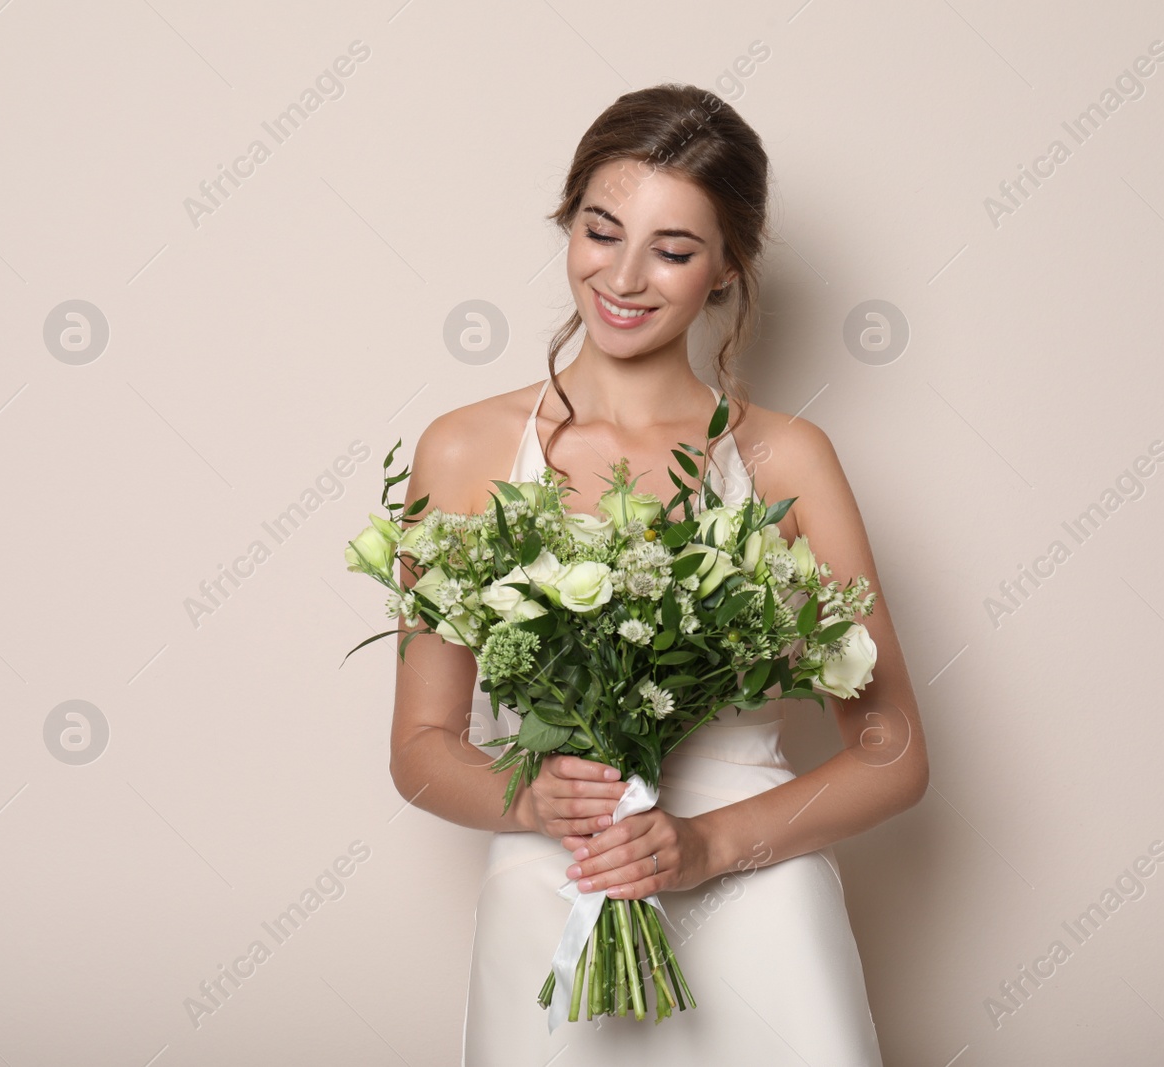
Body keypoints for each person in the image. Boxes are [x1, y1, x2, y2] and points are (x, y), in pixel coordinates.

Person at [388, 83, 929, 1066]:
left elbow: (892, 749)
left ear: (728, 267)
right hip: (550, 889)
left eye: (674, 250)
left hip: (758, 893)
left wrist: (710, 846)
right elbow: (421, 746)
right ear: (568, 221)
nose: (625, 277)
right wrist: (534, 800)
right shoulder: (463, 450)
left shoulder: (786, 458)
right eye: (601, 231)